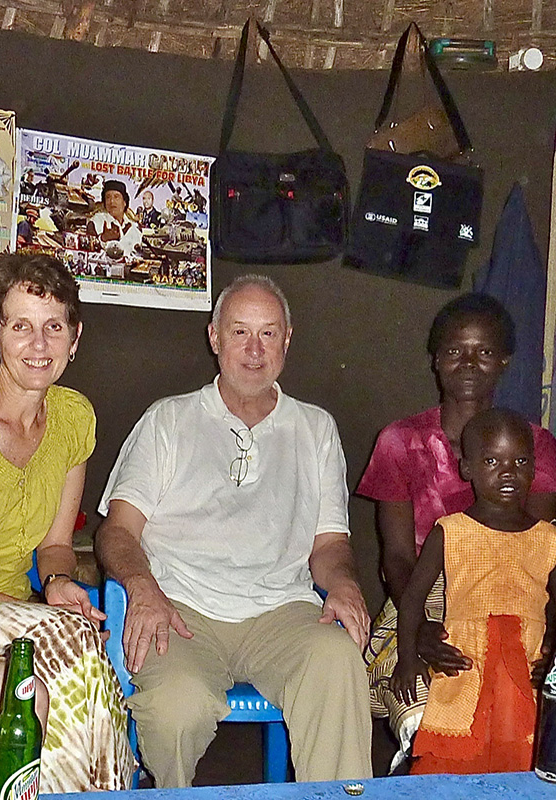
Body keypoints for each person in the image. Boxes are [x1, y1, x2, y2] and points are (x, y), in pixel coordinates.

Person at [95, 274, 373, 788]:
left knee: (338, 662)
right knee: (176, 704)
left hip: (281, 611)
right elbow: (118, 531)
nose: (253, 349)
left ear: (287, 341)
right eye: (240, 331)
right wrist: (143, 588)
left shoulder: (315, 429)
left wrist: (344, 584)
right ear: (215, 338)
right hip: (181, 607)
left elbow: (329, 544)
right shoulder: (168, 420)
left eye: (268, 334)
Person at [0, 253, 134, 792]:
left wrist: (57, 584)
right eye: (21, 326)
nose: (39, 344)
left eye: (53, 326)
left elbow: (57, 545)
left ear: (74, 338)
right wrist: (28, 613)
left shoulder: (74, 418)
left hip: (6, 630)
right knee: (71, 644)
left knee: (76, 665)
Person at [356, 292, 556, 770]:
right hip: (422, 595)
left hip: (514, 597)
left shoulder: (536, 447)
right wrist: (420, 629)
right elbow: (398, 559)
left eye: (485, 352)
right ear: (435, 359)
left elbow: (538, 552)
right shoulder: (400, 442)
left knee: (524, 713)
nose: (469, 363)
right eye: (454, 351)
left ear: (505, 361)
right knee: (430, 713)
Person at [390, 408, 556, 773]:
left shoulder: (548, 538)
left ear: (534, 469)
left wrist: (551, 650)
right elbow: (413, 600)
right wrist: (407, 658)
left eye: (520, 460)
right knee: (453, 762)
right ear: (467, 469)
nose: (508, 471)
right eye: (492, 460)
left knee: (521, 760)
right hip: (465, 664)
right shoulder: (451, 530)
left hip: (526, 666)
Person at [86, 179, 142, 258]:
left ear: (124, 202)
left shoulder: (134, 228)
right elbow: (87, 251)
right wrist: (103, 238)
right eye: (108, 197)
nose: (112, 201)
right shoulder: (96, 221)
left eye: (116, 197)